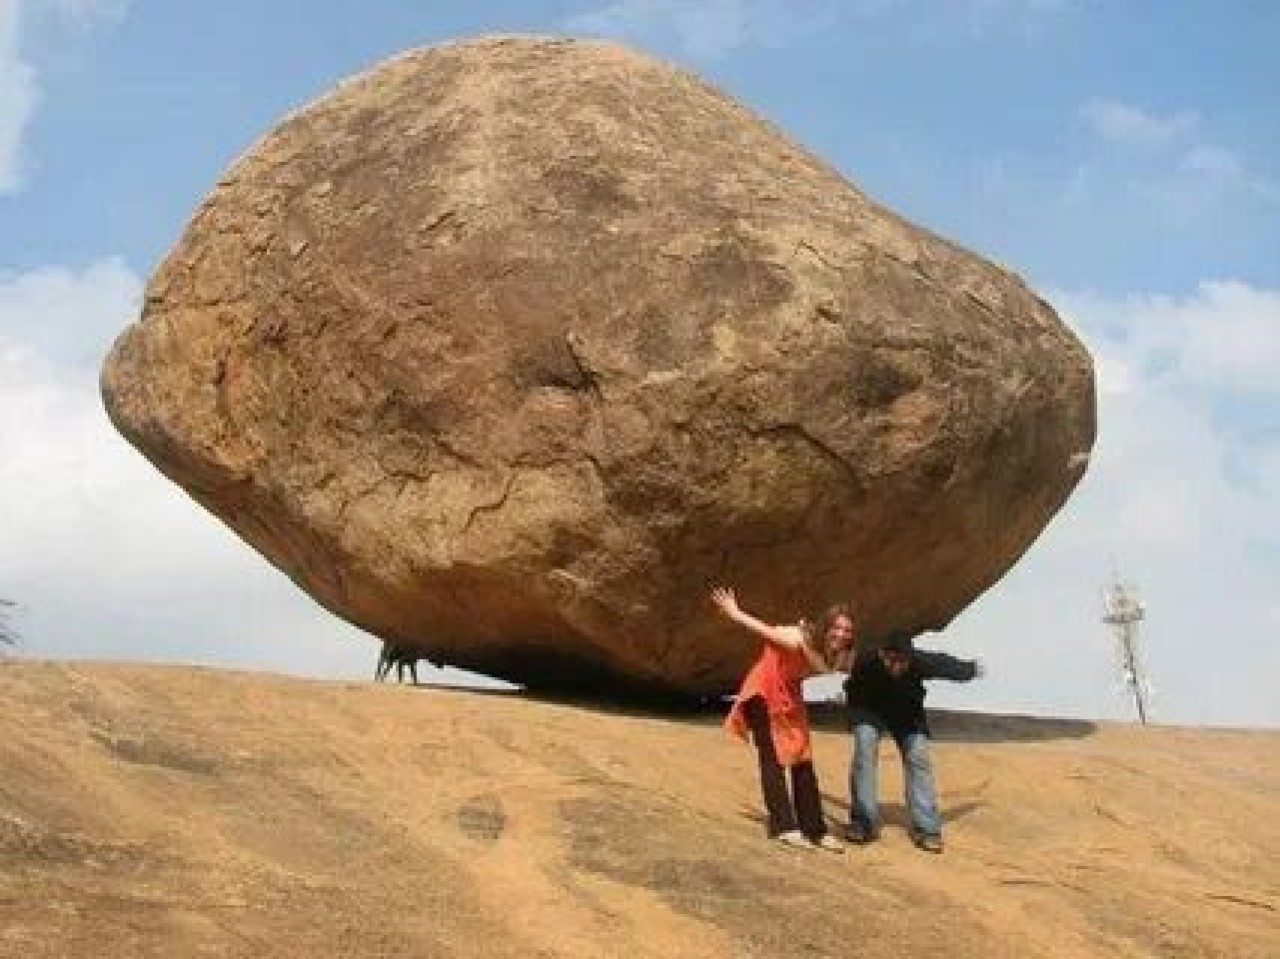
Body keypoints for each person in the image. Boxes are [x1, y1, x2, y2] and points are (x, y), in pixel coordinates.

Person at [712, 586, 854, 852]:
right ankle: (784, 826)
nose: (842, 634)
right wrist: (735, 612)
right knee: (773, 757)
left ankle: (815, 830)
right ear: (825, 628)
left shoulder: (838, 654)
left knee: (802, 757)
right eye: (837, 628)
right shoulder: (795, 639)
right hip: (763, 691)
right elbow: (763, 629)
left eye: (847, 630)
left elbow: (836, 666)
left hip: (789, 692)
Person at [843, 632, 983, 853]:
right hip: (869, 711)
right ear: (881, 654)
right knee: (864, 749)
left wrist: (972, 669)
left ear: (911, 657)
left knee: (918, 759)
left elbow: (946, 665)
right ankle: (863, 822)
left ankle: (927, 829)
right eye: (892, 660)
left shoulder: (920, 662)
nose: (897, 666)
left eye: (903, 661)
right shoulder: (866, 659)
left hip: (907, 715)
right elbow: (842, 673)